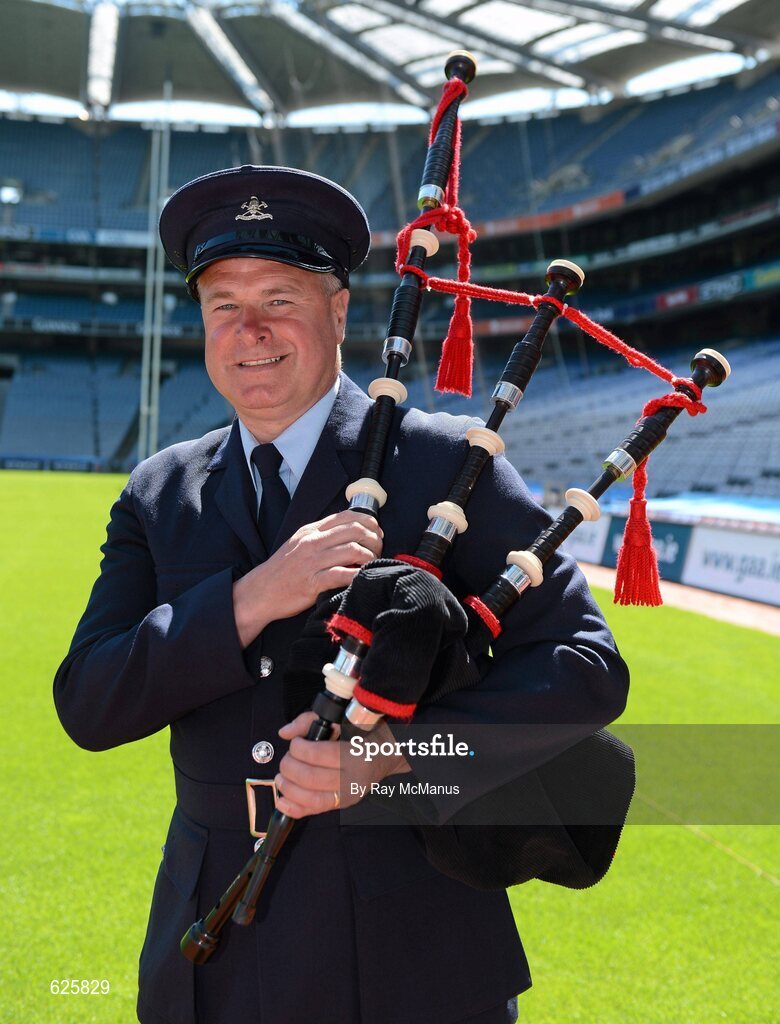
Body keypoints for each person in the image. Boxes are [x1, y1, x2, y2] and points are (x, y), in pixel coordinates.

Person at [53, 165, 629, 1024]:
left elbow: (588, 669)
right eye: (223, 305)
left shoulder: (447, 464)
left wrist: (396, 757)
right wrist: (250, 598)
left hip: (411, 948)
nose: (250, 331)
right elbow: (90, 703)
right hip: (216, 940)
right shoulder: (159, 492)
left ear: (339, 311)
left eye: (280, 298)